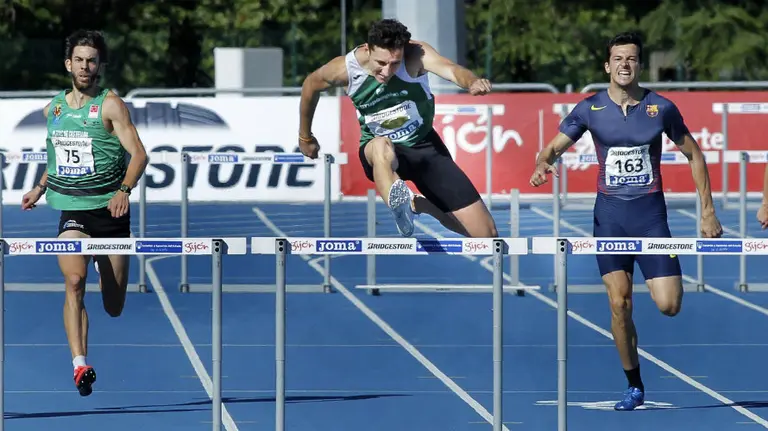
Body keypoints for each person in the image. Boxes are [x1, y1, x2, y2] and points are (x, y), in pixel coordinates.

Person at [530, 32, 722, 411]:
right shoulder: (589, 109)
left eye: (631, 59)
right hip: (611, 218)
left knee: (669, 305)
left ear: (638, 64)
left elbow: (695, 155)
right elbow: (552, 146)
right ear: (607, 65)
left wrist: (708, 210)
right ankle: (634, 384)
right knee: (620, 304)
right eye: (618, 58)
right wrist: (542, 163)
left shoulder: (660, 108)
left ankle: (638, 364)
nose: (624, 65)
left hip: (651, 218)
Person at [20, 30, 149, 397]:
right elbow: (58, 157)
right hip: (73, 212)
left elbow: (139, 154)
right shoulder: (54, 109)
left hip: (110, 215)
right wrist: (40, 187)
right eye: (79, 60)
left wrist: (124, 191)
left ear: (100, 67)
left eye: (91, 61)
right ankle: (80, 365)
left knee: (113, 305)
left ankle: (103, 262)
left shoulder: (111, 106)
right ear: (68, 64)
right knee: (74, 282)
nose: (85, 67)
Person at [297, 18, 498, 238]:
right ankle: (400, 208)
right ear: (368, 49)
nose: (387, 71)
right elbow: (310, 85)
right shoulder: (344, 69)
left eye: (395, 63)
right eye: (381, 63)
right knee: (381, 145)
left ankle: (421, 206)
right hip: (379, 149)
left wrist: (471, 82)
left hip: (424, 147)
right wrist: (305, 137)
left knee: (487, 237)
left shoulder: (416, 55)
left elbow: (451, 69)